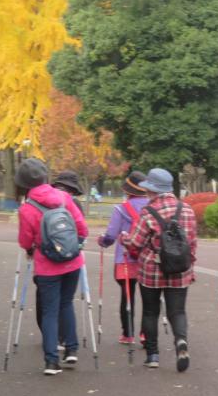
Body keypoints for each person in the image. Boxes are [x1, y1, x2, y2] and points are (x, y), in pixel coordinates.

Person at [16, 158, 89, 375]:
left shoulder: (27, 208)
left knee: (49, 311)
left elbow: (25, 241)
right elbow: (82, 228)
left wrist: (31, 249)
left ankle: (51, 361)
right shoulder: (65, 197)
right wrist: (75, 244)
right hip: (72, 260)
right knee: (67, 303)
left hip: (47, 265)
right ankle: (72, 349)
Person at [120, 168, 196, 371]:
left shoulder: (148, 212)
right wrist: (191, 267)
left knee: (150, 311)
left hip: (152, 270)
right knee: (178, 311)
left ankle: (153, 355)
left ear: (152, 191)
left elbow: (135, 243)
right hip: (180, 270)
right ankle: (181, 342)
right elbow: (192, 243)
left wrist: (124, 239)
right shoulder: (187, 210)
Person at [97, 172, 149, 344]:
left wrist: (103, 242)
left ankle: (128, 334)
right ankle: (146, 334)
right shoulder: (153, 207)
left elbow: (111, 235)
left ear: (128, 190)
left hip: (125, 259)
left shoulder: (121, 209)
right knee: (149, 299)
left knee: (127, 297)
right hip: (148, 260)